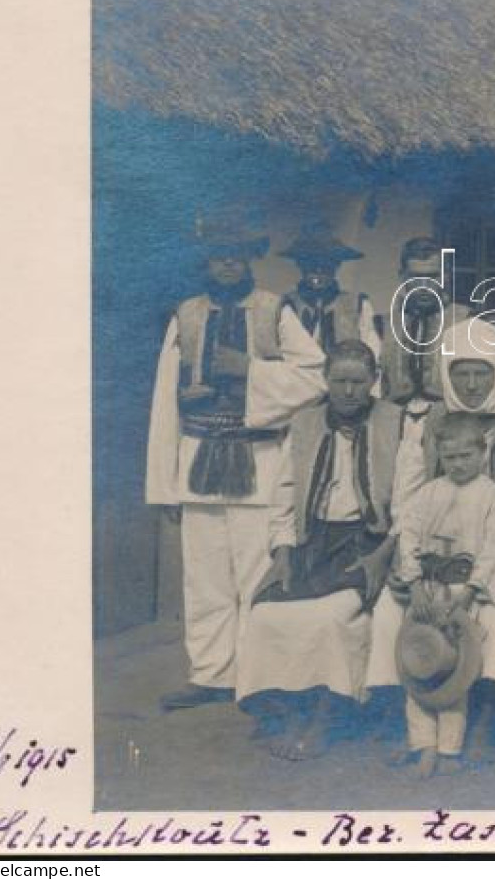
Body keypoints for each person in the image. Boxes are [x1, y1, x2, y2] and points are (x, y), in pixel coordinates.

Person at [145, 207, 326, 712]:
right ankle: (209, 675)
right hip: (198, 461)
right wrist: (164, 485)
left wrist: (250, 370)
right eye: (218, 258)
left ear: (251, 260)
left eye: (237, 257)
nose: (228, 265)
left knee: (253, 575)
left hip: (259, 460)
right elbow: (164, 401)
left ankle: (256, 677)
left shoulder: (275, 311)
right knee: (204, 579)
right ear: (206, 264)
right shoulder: (186, 315)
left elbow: (315, 379)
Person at [365, 317, 495, 762]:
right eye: (461, 373)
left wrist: (479, 581)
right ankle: (405, 716)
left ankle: (481, 721)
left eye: (482, 373)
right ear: (447, 375)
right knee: (387, 614)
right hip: (428, 565)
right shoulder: (428, 423)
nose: (472, 384)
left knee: (493, 621)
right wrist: (411, 574)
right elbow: (409, 504)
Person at [234, 341, 403, 759]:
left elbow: (410, 502)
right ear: (325, 381)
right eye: (339, 381)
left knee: (331, 618)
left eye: (358, 382)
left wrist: (382, 556)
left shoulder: (397, 423)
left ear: (374, 381)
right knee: (264, 613)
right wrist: (284, 552)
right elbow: (285, 494)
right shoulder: (304, 423)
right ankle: (286, 710)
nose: (348, 391)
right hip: (314, 542)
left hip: (368, 541)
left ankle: (326, 718)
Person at [388, 412, 495, 777]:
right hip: (428, 589)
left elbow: (494, 546)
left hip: (463, 593)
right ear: (439, 457)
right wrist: (413, 585)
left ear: (482, 453)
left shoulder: (492, 495)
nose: (458, 465)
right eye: (450, 457)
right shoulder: (429, 492)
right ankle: (422, 743)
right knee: (419, 662)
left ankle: (448, 749)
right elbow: (409, 535)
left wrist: (469, 593)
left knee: (452, 667)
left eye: (466, 456)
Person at [378, 237, 468, 437]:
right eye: (415, 277)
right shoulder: (380, 325)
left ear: (446, 276)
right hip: (392, 428)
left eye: (433, 276)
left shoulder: (466, 322)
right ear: (401, 276)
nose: (424, 285)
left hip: (449, 427)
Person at [278, 219, 382, 359]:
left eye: (326, 266)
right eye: (311, 266)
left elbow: (372, 350)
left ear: (336, 266)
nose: (318, 272)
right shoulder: (285, 305)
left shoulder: (357, 304)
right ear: (300, 266)